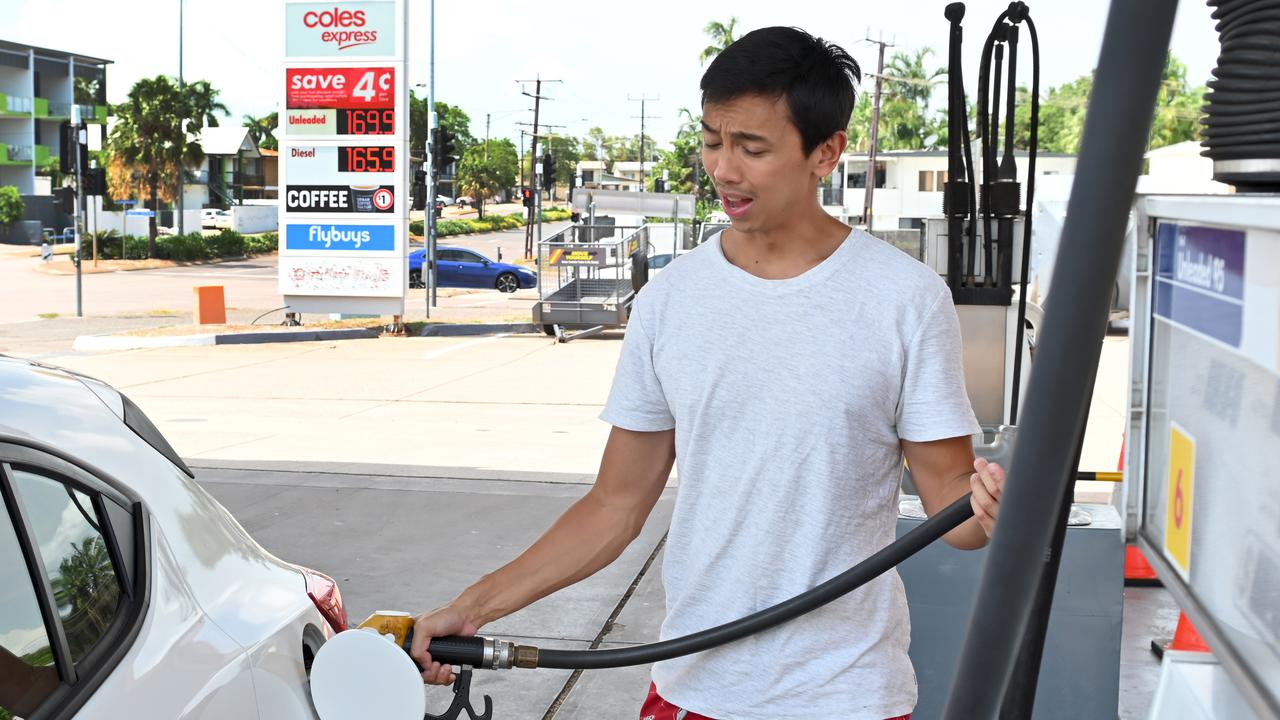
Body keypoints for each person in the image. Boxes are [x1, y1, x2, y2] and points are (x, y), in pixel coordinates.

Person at [412, 26, 1006, 720]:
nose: (724, 168)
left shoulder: (903, 300)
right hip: (692, 688)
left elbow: (953, 513)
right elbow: (615, 506)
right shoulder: (673, 297)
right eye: (713, 140)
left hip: (845, 696)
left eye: (752, 148)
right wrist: (473, 607)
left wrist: (992, 509)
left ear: (827, 153)